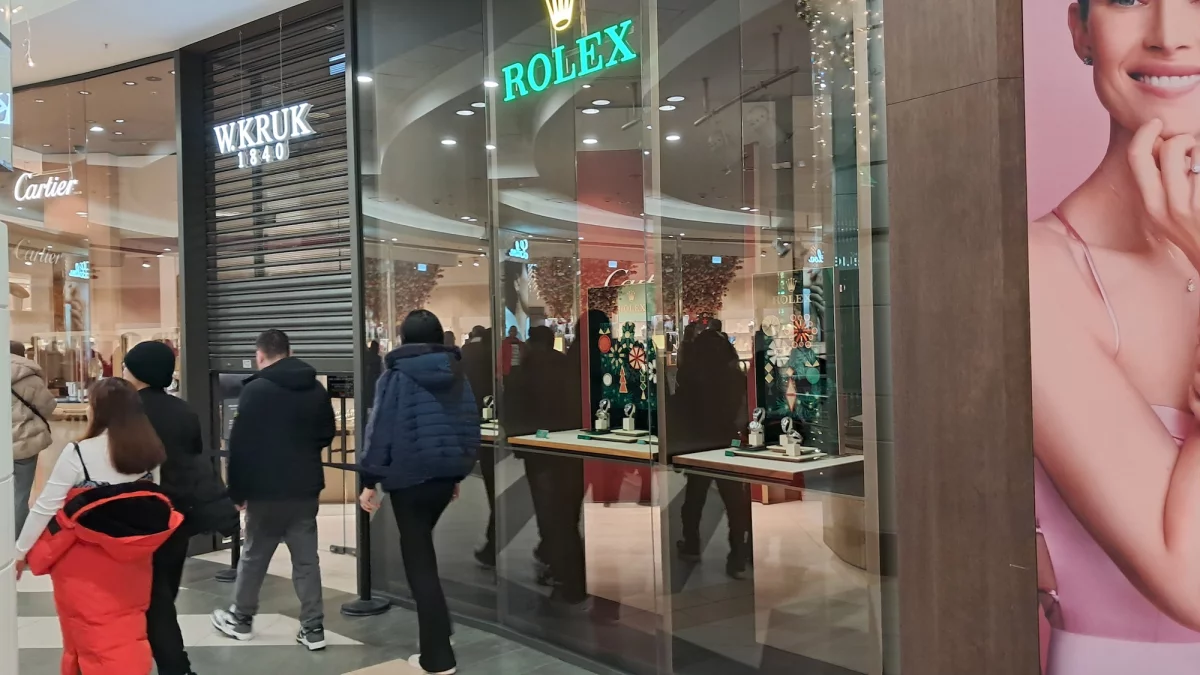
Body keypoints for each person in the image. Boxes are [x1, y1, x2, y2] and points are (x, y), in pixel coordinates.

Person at [1031, 0, 1200, 671]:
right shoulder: (1038, 271)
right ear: (1080, 30)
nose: (1170, 36)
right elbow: (1193, 581)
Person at [16, 377, 178, 675]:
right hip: (133, 562)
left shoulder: (80, 453)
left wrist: (20, 551)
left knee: (86, 632)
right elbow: (146, 500)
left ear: (98, 410)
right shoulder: (149, 451)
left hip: (84, 563)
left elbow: (45, 507)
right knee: (126, 628)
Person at [359, 309, 480, 675]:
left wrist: (368, 480)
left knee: (419, 563)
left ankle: (437, 658)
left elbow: (380, 430)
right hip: (444, 478)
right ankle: (440, 630)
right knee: (421, 553)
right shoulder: (457, 373)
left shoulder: (395, 376)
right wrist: (456, 471)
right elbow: (468, 424)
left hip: (410, 478)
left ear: (403, 339)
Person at [211, 329, 335, 651]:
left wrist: (237, 492)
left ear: (260, 356)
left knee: (254, 555)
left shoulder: (256, 391)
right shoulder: (315, 389)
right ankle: (313, 628)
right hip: (305, 486)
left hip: (265, 489)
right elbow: (327, 433)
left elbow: (240, 447)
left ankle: (241, 619)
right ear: (289, 352)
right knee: (306, 560)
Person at [124, 340, 235, 675]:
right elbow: (193, 458)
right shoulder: (183, 411)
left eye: (128, 367)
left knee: (151, 599)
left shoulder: (127, 412)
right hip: (178, 515)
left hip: (137, 517)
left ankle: (174, 666)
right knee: (164, 590)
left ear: (139, 372)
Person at [11, 339, 57, 531]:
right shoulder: (30, 377)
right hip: (24, 444)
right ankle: (16, 538)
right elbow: (47, 406)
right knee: (20, 494)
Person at [461, 327, 498, 569]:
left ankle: (492, 545)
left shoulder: (467, 355)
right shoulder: (495, 357)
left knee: (493, 486)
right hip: (501, 427)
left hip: (480, 426)